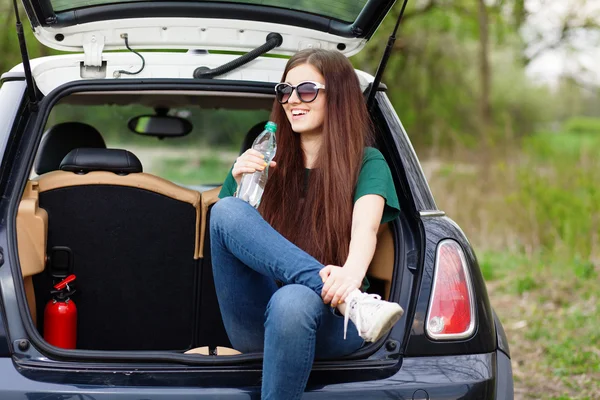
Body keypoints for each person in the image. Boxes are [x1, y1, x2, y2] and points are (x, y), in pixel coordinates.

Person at [210, 48, 404, 400]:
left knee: (295, 298)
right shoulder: (264, 161)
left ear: (339, 96)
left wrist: (351, 275)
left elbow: (365, 227)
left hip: (333, 323)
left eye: (307, 90)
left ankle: (349, 302)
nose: (292, 100)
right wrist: (239, 185)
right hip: (260, 321)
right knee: (224, 212)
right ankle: (357, 303)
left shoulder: (367, 162)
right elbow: (234, 236)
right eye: (285, 91)